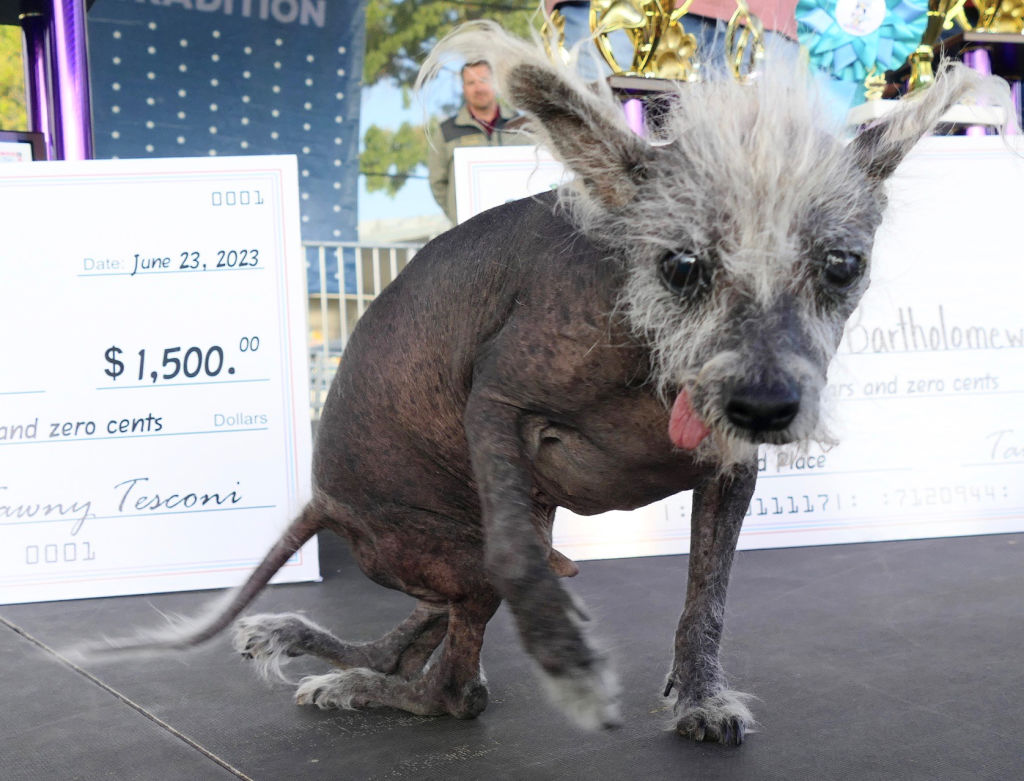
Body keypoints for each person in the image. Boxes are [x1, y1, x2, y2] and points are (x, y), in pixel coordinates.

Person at [427, 60, 521, 224]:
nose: (478, 88)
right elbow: (438, 184)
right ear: (463, 88)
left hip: (521, 226)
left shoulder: (523, 125)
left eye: (484, 80)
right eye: (471, 83)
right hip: (471, 232)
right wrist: (459, 217)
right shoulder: (445, 132)